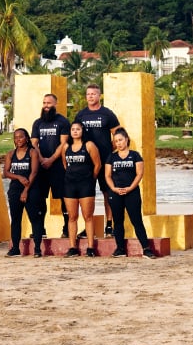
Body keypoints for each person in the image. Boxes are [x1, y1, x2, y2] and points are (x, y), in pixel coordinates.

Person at [74, 83, 121, 238]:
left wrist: (110, 149)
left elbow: (118, 133)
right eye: (88, 94)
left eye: (93, 94)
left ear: (99, 96)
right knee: (87, 195)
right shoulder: (81, 115)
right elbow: (75, 135)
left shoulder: (107, 113)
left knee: (107, 192)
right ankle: (87, 227)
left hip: (105, 161)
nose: (90, 97)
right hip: (86, 163)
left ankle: (109, 226)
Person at [104, 127, 156, 259]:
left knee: (136, 220)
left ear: (126, 140)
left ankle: (146, 249)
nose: (119, 143)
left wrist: (130, 187)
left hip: (131, 192)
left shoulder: (135, 155)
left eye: (120, 140)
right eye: (116, 141)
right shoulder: (112, 157)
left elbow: (139, 174)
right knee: (118, 221)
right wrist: (114, 189)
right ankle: (120, 249)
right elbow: (107, 176)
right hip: (115, 193)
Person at [31, 93, 72, 238]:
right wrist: (42, 159)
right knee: (39, 198)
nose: (46, 106)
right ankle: (40, 230)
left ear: (56, 104)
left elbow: (64, 143)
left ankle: (67, 229)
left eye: (49, 103)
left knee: (63, 198)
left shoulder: (63, 122)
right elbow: (34, 143)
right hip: (42, 167)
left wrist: (52, 159)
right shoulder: (38, 123)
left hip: (58, 167)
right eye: (44, 103)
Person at [61, 121, 101, 257]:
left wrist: (90, 179)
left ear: (82, 131)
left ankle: (90, 247)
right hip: (69, 185)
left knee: (88, 217)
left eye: (78, 129)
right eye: (73, 129)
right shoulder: (66, 146)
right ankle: (72, 247)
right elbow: (65, 165)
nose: (75, 131)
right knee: (72, 217)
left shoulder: (89, 145)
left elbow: (97, 165)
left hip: (86, 185)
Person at [3, 128, 41, 257]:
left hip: (31, 188)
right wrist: (18, 177)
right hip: (15, 189)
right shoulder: (10, 154)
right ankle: (15, 248)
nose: (18, 139)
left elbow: (34, 172)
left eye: (21, 137)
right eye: (16, 137)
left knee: (34, 218)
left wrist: (26, 190)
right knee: (15, 219)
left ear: (27, 138)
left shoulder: (32, 153)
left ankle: (37, 248)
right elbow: (6, 172)